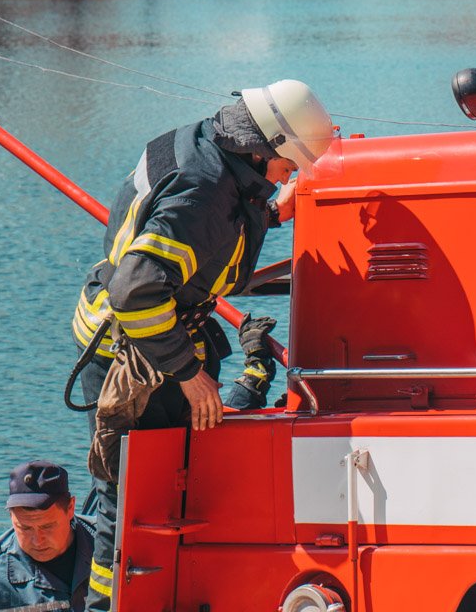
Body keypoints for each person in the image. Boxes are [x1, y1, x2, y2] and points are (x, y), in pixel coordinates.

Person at [70, 79, 334, 611]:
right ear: (264, 149)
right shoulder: (203, 190)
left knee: (141, 485)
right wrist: (191, 375)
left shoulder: (202, 143)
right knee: (127, 500)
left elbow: (220, 225)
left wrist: (276, 211)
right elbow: (137, 290)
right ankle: (107, 605)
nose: (288, 177)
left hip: (153, 333)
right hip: (135, 347)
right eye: (288, 167)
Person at [0, 461, 95, 612]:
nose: (37, 540)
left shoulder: (109, 544)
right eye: (25, 528)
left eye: (47, 526)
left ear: (70, 508)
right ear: (11, 516)